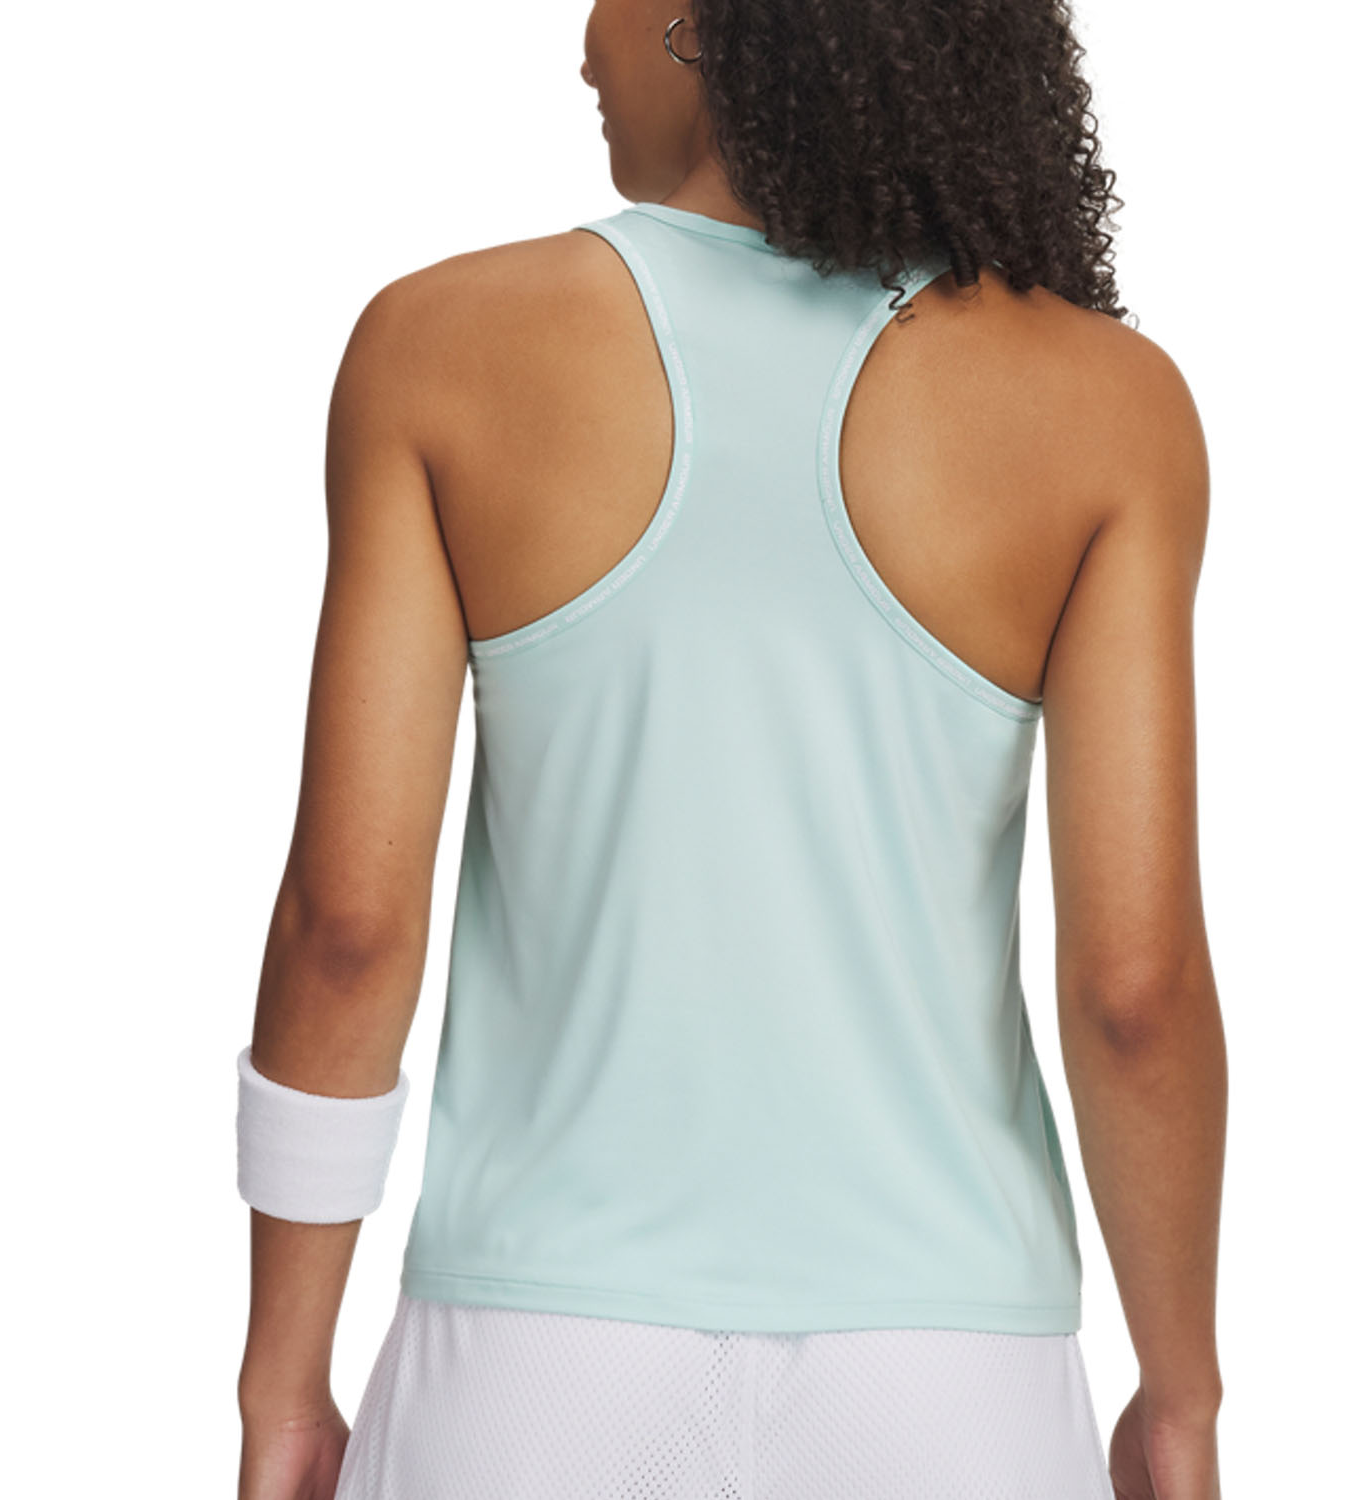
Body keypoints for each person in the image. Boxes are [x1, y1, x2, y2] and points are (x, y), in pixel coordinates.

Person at [235, 2, 1228, 1497]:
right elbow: (1134, 992)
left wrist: (283, 1386)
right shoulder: (1105, 406)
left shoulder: (438, 348)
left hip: (530, 1372)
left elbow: (347, 933)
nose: (583, 40)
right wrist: (1180, 1394)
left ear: (709, 17)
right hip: (950, 1382)